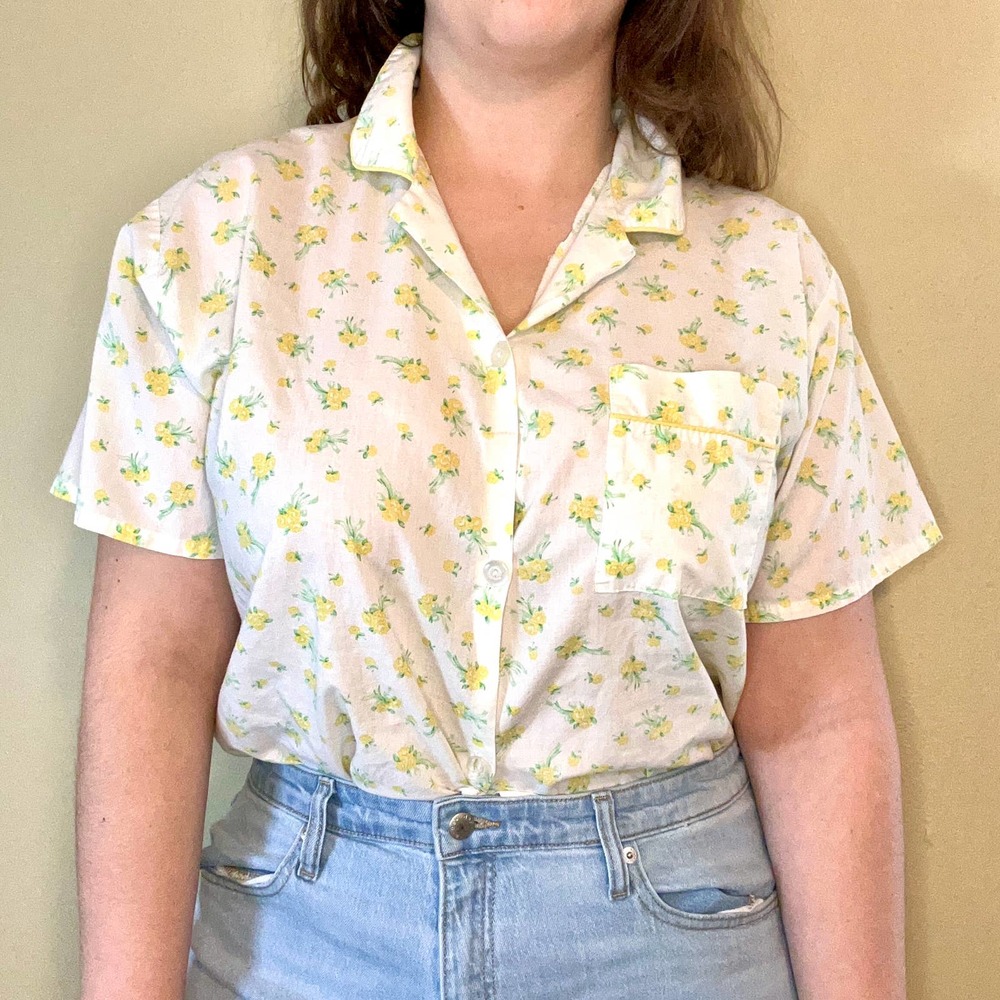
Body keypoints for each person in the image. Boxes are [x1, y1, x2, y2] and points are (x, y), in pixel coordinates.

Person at [49, 2, 944, 998]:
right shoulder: (212, 243)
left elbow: (816, 715)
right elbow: (155, 666)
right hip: (297, 943)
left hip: (671, 944)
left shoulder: (767, 276)